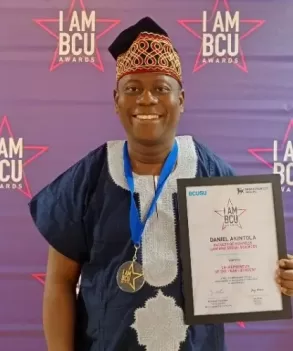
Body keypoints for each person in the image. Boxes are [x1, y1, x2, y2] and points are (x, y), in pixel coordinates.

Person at [28, 16, 293, 351]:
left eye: (161, 89)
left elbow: (248, 258)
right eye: (133, 89)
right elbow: (59, 283)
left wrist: (277, 275)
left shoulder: (211, 172)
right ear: (116, 100)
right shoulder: (89, 177)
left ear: (180, 99)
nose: (147, 100)